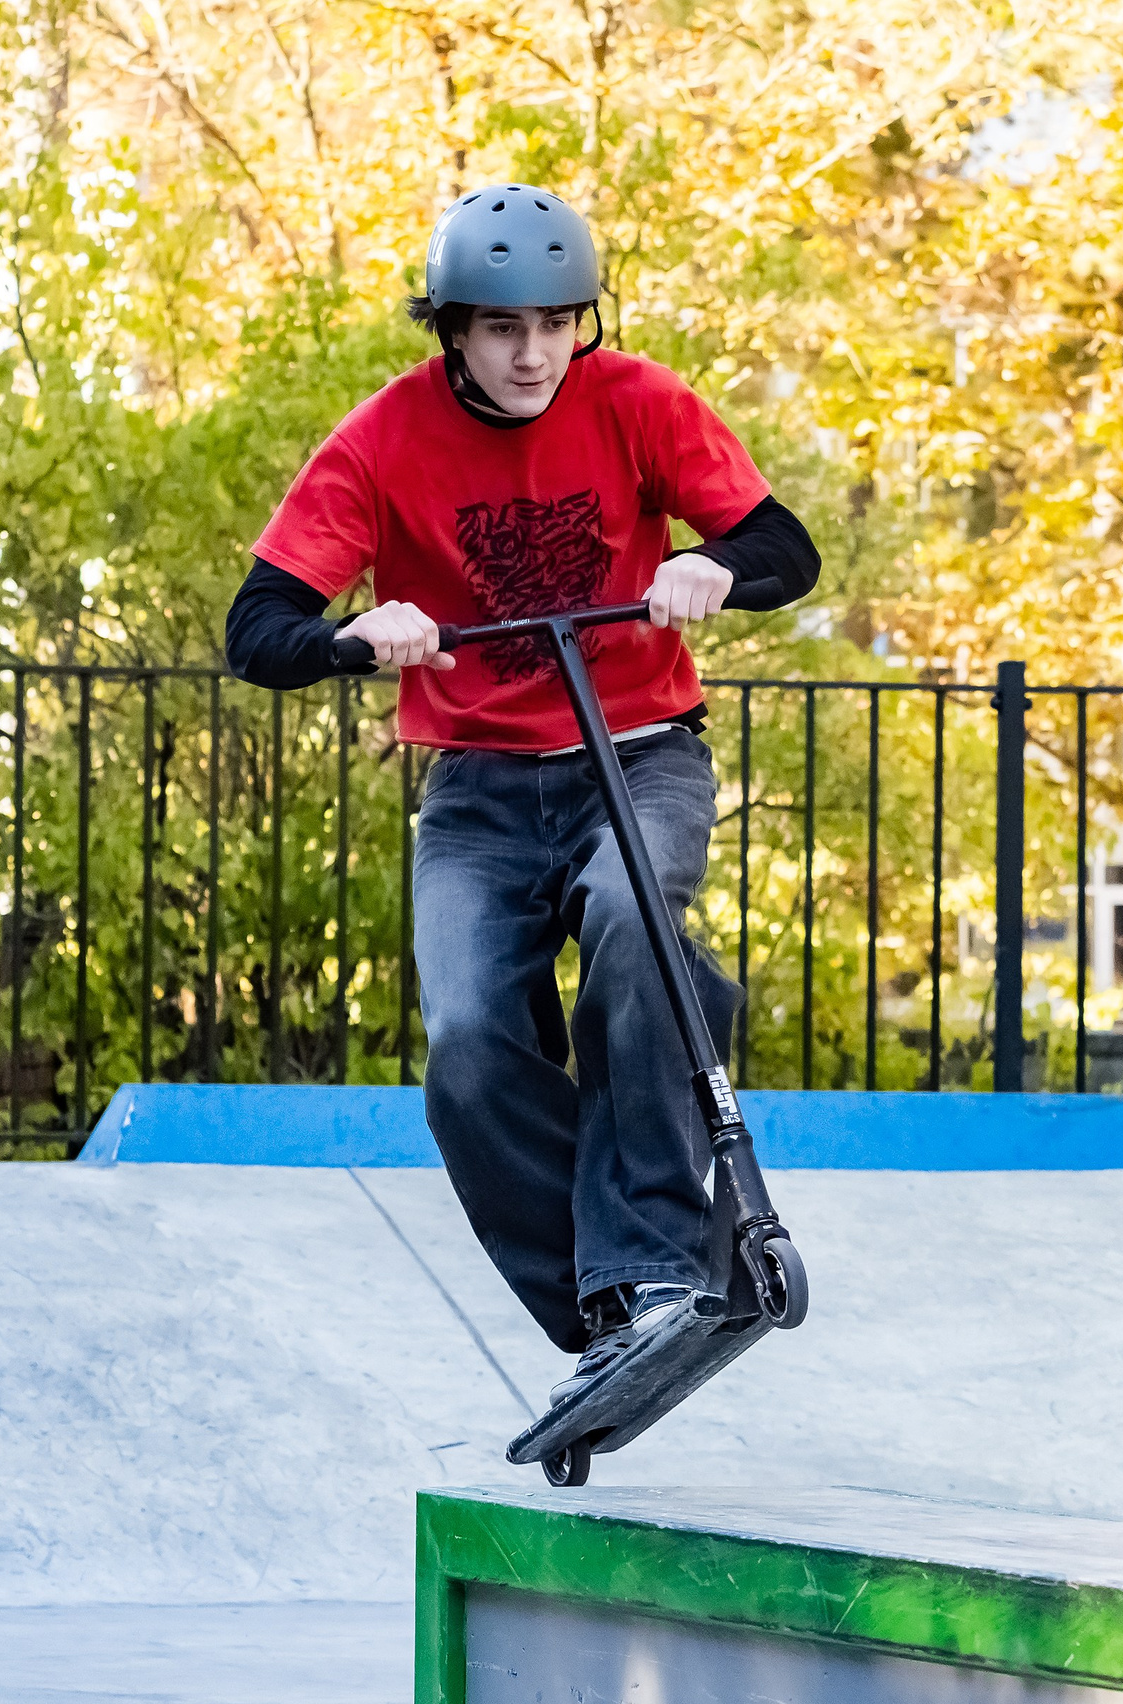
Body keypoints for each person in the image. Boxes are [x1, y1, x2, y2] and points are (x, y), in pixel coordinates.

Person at [225, 185, 819, 1411]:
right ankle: (605, 1304)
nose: (533, 353)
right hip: (479, 797)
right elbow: (257, 630)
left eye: (557, 323)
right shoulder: (382, 439)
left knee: (632, 919)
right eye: (501, 328)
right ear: (449, 327)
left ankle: (653, 1268)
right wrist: (355, 635)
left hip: (639, 752)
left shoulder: (638, 402)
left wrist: (711, 565)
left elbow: (786, 548)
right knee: (467, 1050)